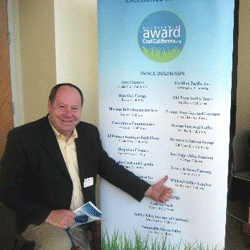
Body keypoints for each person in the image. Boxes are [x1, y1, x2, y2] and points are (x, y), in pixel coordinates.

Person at [0, 83, 173, 250]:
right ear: (49, 105)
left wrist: (148, 190)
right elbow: (6, 190)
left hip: (79, 218)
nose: (69, 114)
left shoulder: (88, 133)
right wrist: (50, 215)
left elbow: (109, 168)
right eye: (62, 107)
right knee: (58, 246)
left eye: (74, 109)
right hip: (41, 218)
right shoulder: (23, 138)